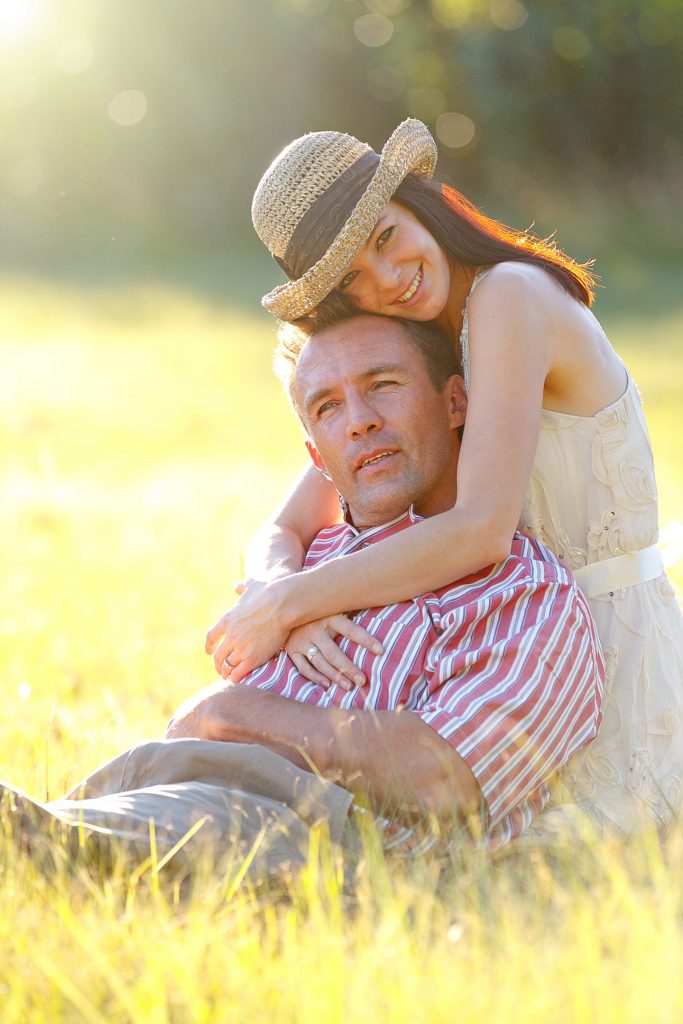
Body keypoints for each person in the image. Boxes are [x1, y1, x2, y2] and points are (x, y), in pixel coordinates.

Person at [204, 118, 683, 837]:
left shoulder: (509, 296)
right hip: (498, 650)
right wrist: (278, 594)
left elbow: (480, 531)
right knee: (352, 815)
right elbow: (290, 523)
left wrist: (288, 606)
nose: (387, 280)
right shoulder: (427, 328)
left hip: (600, 651)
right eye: (353, 281)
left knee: (514, 848)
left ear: (417, 197)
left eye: (386, 237)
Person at [1, 314, 603, 873]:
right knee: (56, 844)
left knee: (48, 844)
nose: (360, 420)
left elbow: (444, 779)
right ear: (317, 455)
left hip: (315, 831)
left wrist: (234, 715)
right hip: (173, 782)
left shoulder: (525, 595)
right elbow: (274, 544)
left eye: (384, 384)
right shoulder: (309, 565)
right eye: (328, 407)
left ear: (455, 402)